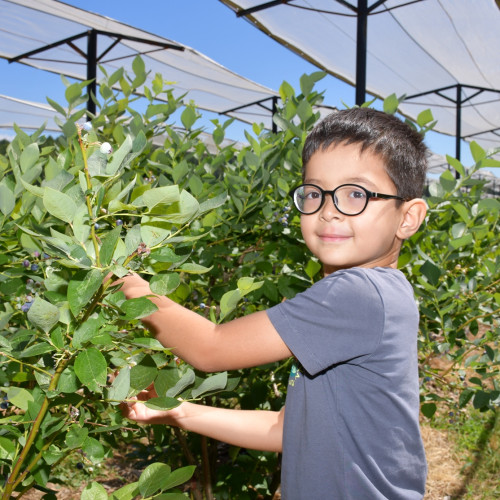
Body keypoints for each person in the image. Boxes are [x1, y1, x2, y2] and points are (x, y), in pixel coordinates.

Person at [117, 107, 429, 499]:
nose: (329, 209)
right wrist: (179, 411)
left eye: (356, 193)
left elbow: (210, 348)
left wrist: (129, 286)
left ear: (409, 217)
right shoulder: (377, 294)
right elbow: (287, 429)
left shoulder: (359, 293)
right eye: (315, 193)